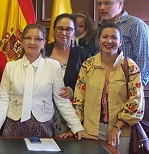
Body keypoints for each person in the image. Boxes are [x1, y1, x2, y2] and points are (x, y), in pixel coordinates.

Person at [0, 24, 95, 139]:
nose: (32, 42)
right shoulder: (11, 67)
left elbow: (61, 100)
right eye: (28, 38)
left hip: (43, 126)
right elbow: (3, 99)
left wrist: (77, 128)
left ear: (43, 43)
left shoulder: (52, 66)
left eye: (37, 39)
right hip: (13, 126)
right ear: (22, 41)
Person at [60, 22, 144, 153]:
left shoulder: (130, 67)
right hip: (90, 130)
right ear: (98, 40)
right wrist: (75, 127)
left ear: (120, 42)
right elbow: (79, 100)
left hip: (120, 132)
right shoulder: (88, 65)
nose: (109, 41)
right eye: (105, 37)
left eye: (114, 37)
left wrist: (117, 127)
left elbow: (136, 101)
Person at [45, 13, 91, 135]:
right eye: (60, 28)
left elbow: (89, 82)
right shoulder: (43, 51)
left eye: (68, 29)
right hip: (43, 110)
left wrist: (71, 90)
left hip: (71, 112)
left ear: (74, 32)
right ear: (54, 30)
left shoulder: (83, 54)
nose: (63, 32)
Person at [96, 0, 149, 86]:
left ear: (120, 4)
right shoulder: (100, 27)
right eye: (99, 4)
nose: (102, 7)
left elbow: (143, 64)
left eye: (107, 3)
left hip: (128, 89)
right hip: (101, 87)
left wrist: (134, 89)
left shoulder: (135, 25)